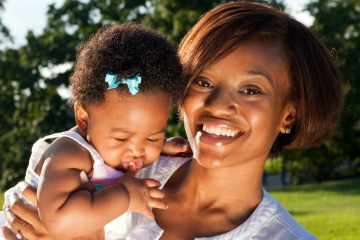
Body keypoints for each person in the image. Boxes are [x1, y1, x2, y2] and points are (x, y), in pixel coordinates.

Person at [1, 2, 343, 239]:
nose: (218, 105)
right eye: (203, 82)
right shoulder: (123, 163)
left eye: (251, 90)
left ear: (289, 114)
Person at [0, 23, 192, 239]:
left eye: (151, 137)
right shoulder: (69, 153)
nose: (137, 151)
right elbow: (58, 222)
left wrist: (162, 145)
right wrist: (125, 195)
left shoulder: (112, 146)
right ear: (83, 119)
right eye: (122, 138)